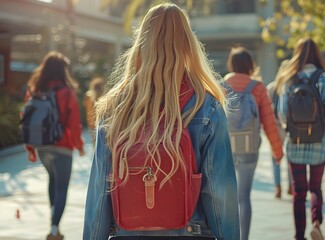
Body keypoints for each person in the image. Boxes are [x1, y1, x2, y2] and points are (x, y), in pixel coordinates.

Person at [83, 3, 239, 240]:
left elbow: (99, 189)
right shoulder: (206, 107)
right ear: (188, 45)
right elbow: (219, 194)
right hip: (191, 232)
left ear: (141, 45)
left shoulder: (115, 107)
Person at [274, 38, 325, 240]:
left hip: (295, 143)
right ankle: (317, 223)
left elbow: (282, 113)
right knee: (316, 187)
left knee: (298, 193)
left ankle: (299, 235)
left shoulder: (289, 79)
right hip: (320, 142)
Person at [224, 46, 283, 240]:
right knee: (244, 197)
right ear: (250, 65)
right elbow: (269, 122)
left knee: (228, 198)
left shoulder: (222, 85)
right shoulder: (257, 88)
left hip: (227, 150)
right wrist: (277, 151)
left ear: (231, 64)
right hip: (250, 149)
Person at [24, 51, 85, 240]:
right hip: (62, 147)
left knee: (52, 180)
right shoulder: (67, 92)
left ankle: (54, 226)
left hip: (42, 147)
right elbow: (74, 124)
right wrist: (79, 145)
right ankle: (54, 228)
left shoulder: (35, 90)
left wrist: (31, 148)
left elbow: (26, 120)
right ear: (62, 71)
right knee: (61, 188)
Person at [267, 59, 293, 199]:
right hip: (289, 127)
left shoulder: (272, 87)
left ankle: (277, 187)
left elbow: (267, 108)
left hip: (275, 127)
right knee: (290, 157)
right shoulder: (291, 86)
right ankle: (291, 186)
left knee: (275, 158)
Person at [83, 77, 104, 144]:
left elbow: (85, 105)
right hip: (101, 124)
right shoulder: (104, 96)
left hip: (92, 123)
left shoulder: (88, 96)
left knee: (95, 144)